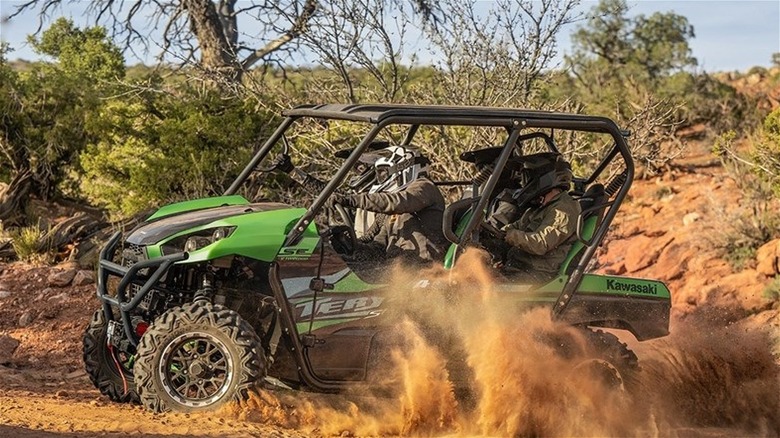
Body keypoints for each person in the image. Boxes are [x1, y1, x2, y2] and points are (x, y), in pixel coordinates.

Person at [327, 145, 448, 266]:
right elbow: (378, 247)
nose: (380, 179)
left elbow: (399, 201)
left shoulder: (424, 187)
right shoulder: (391, 214)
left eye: (383, 173)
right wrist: (350, 246)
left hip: (425, 267)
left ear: (403, 168)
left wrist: (351, 200)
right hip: (396, 269)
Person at [486, 152, 581, 282]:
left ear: (544, 177)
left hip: (537, 273)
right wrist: (492, 232)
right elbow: (514, 227)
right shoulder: (540, 207)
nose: (524, 184)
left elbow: (541, 243)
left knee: (483, 288)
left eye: (527, 178)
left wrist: (510, 235)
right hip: (520, 266)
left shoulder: (563, 209)